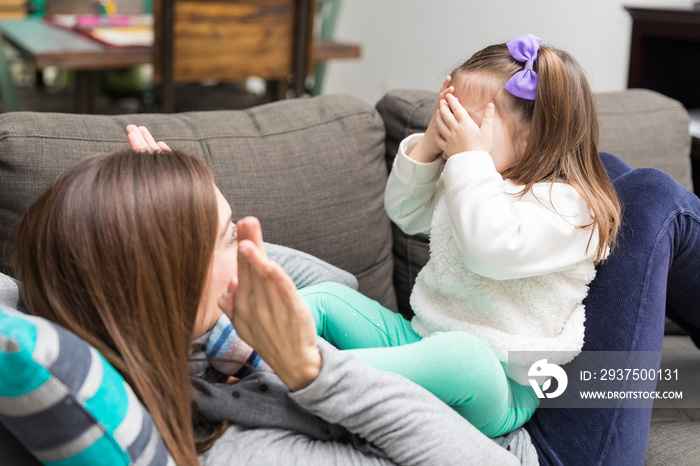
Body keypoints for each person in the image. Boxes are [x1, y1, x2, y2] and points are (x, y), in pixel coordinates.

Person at [12, 127, 523, 466]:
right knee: (605, 184)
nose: (245, 244)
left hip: (497, 383)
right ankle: (593, 377)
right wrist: (312, 372)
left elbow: (340, 290)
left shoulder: (194, 342)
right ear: (169, 284)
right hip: (527, 442)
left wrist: (182, 217)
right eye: (229, 237)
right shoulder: (243, 449)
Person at [294, 33, 622, 439]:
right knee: (328, 298)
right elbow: (405, 212)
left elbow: (488, 250)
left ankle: (303, 377)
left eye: (466, 120)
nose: (454, 132)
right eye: (449, 116)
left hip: (501, 383)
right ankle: (244, 347)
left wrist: (469, 162)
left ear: (535, 134)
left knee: (463, 356)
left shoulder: (570, 209)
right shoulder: (475, 180)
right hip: (419, 340)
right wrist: (431, 145)